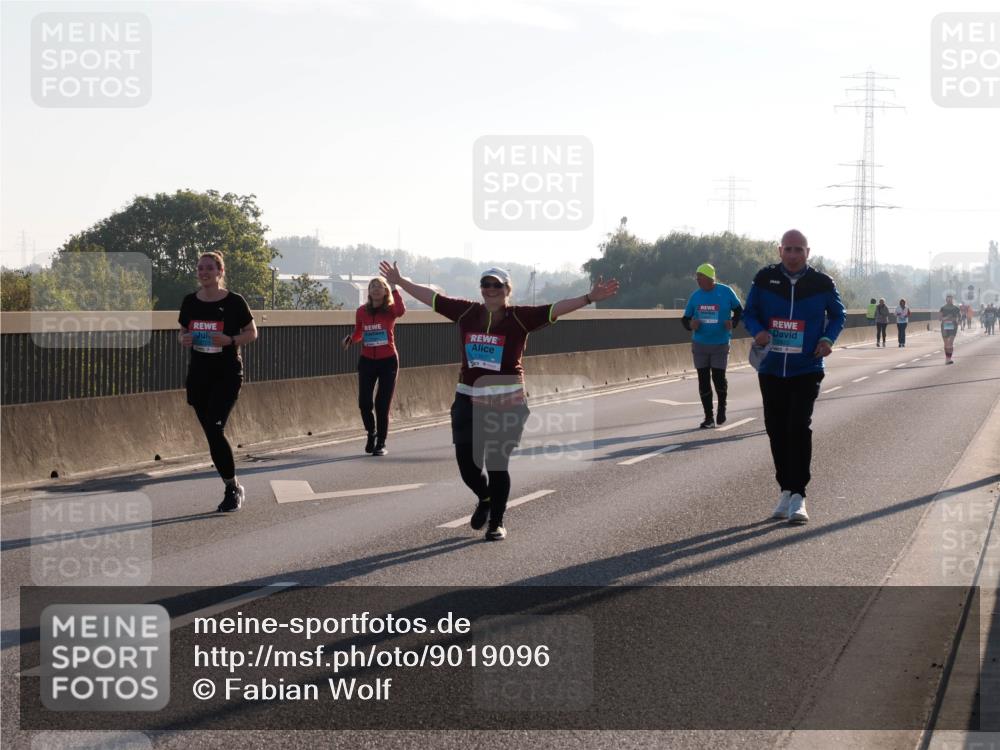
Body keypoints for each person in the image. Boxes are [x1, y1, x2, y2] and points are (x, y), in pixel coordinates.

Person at [380, 260, 619, 541]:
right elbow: (431, 298)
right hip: (467, 398)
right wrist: (401, 281)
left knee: (496, 462)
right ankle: (485, 498)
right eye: (486, 284)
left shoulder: (519, 317)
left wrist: (589, 298)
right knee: (467, 466)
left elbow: (555, 308)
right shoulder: (467, 311)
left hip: (506, 399)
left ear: (507, 290)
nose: (490, 289)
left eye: (497, 285)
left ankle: (496, 522)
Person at [743, 229, 846, 525]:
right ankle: (785, 490)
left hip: (807, 368)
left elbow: (838, 316)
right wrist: (758, 331)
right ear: (779, 251)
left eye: (798, 249)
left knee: (798, 426)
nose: (792, 254)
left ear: (807, 252)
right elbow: (749, 312)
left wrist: (827, 339)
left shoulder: (822, 283)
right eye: (787, 249)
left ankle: (799, 495)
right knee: (776, 429)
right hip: (771, 367)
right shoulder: (764, 279)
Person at [178, 252, 258, 512]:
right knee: (212, 436)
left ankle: (232, 488)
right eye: (200, 268)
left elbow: (251, 333)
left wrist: (230, 341)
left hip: (227, 374)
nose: (204, 272)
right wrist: (184, 339)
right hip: (199, 375)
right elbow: (183, 332)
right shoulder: (190, 301)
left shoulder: (234, 301)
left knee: (215, 427)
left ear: (220, 271)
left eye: (209, 268)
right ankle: (232, 483)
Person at [342, 276, 405, 456]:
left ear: (385, 291)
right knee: (364, 403)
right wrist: (350, 339)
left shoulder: (390, 310)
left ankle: (381, 443)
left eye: (380, 287)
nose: (376, 289)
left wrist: (394, 287)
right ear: (368, 292)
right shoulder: (362, 311)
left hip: (388, 361)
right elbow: (359, 332)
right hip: (367, 361)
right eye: (372, 287)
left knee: (382, 404)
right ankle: (371, 432)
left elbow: (401, 311)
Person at [681, 262, 743, 428]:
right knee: (703, 380)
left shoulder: (726, 291)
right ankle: (708, 417)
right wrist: (690, 325)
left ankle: (722, 407)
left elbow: (739, 310)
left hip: (720, 343)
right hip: (700, 344)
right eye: (697, 277)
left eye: (700, 277)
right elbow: (685, 319)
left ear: (710, 278)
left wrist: (733, 322)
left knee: (718, 378)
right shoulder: (695, 296)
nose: (698, 280)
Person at [940, 294, 961, 364]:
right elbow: (940, 318)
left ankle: (949, 358)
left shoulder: (956, 308)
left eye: (950, 299)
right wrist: (947, 318)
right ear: (946, 300)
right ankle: (947, 358)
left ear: (952, 300)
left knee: (950, 342)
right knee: (946, 343)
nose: (949, 301)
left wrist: (958, 321)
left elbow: (959, 317)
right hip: (944, 326)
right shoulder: (942, 308)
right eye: (948, 299)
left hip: (953, 326)